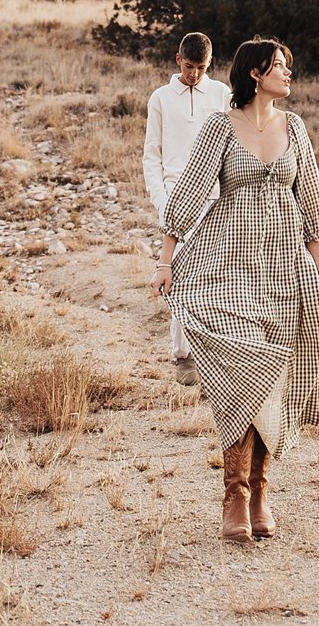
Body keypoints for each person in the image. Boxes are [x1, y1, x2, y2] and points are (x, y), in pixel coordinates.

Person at [155, 37, 319, 544]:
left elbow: (310, 201)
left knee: (272, 376)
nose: (288, 74)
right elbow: (190, 190)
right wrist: (168, 259)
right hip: (226, 261)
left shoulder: (294, 127)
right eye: (280, 66)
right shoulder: (220, 125)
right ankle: (233, 491)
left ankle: (259, 489)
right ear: (255, 73)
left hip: (283, 264)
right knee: (242, 369)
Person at [142, 31, 232, 381]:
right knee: (178, 273)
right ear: (178, 60)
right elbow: (152, 154)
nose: (195, 73)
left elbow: (230, 145)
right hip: (176, 194)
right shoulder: (161, 98)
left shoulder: (221, 94)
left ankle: (215, 351)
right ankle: (183, 355)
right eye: (191, 66)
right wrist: (162, 201)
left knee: (216, 276)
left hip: (214, 197)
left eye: (203, 67)